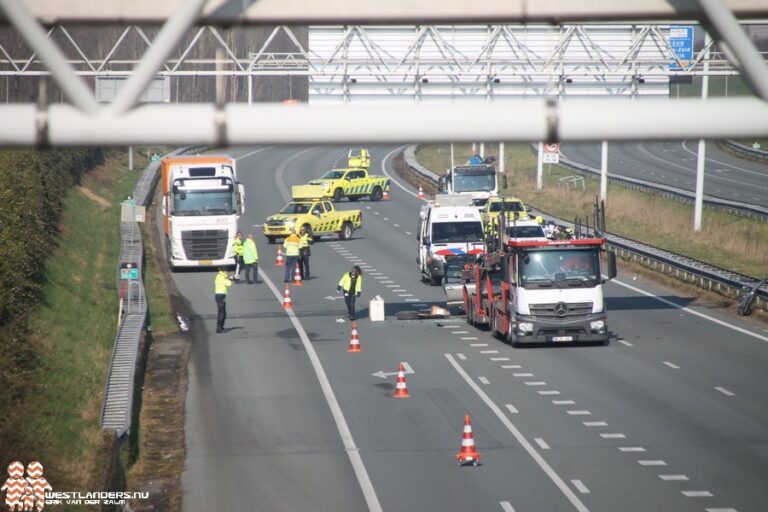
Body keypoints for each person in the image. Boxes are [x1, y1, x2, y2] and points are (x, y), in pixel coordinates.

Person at [214, 267, 232, 333]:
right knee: (222, 313)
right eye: (227, 272)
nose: (227, 273)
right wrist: (228, 278)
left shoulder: (220, 276)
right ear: (224, 271)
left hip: (220, 296)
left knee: (222, 313)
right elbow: (229, 284)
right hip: (220, 296)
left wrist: (228, 278)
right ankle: (219, 328)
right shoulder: (221, 277)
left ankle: (221, 327)